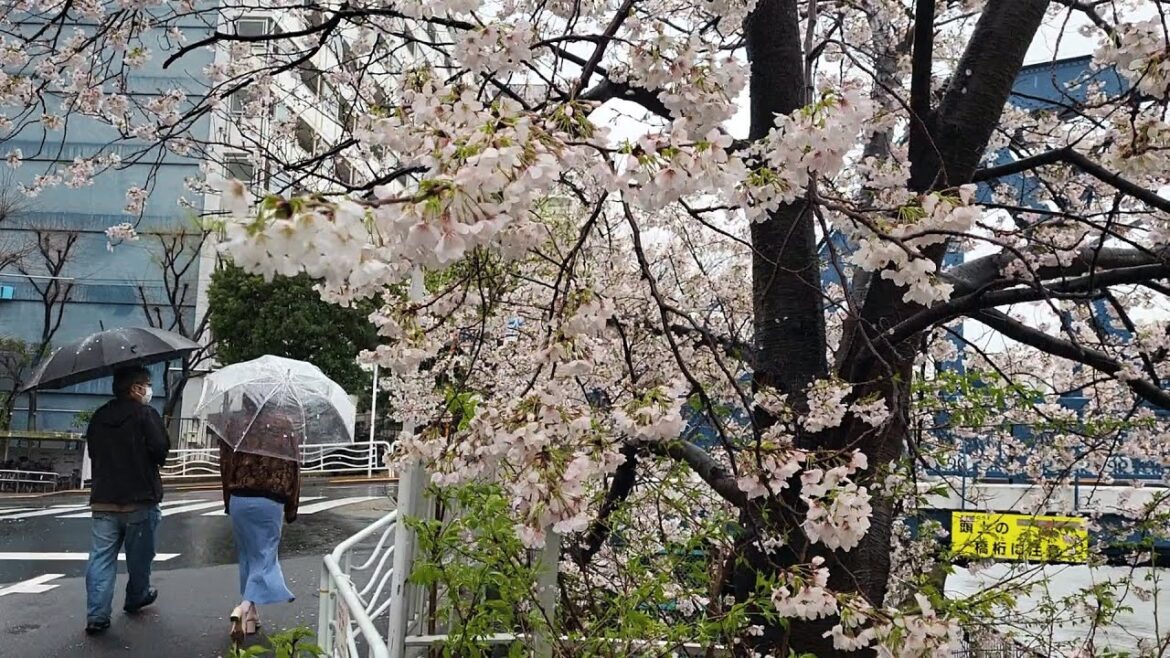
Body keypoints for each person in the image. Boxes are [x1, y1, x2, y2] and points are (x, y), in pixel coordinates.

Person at [84, 365, 170, 635]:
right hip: (140, 500)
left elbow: (93, 452)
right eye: (146, 384)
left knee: (101, 558)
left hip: (104, 499)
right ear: (135, 388)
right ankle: (136, 596)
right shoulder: (145, 414)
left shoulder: (99, 417)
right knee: (140, 558)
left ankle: (97, 615)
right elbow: (161, 451)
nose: (149, 389)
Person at [217, 416, 300, 644]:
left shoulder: (234, 424)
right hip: (270, 499)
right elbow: (294, 466)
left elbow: (225, 464)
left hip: (239, 498)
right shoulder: (285, 425)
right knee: (265, 556)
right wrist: (291, 508)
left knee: (247, 555)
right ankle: (243, 607)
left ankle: (251, 618)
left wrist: (228, 500)